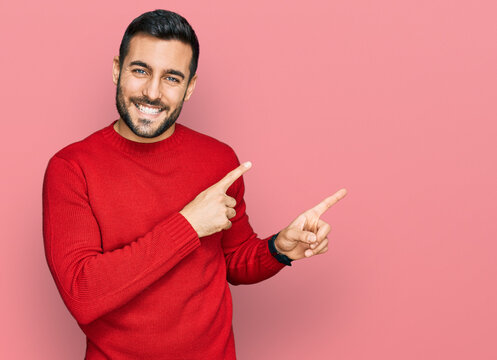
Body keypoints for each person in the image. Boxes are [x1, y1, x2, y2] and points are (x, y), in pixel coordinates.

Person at [42, 9, 347, 360]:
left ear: (190, 88)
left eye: (172, 78)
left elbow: (233, 261)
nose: (152, 92)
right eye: (140, 71)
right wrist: (188, 225)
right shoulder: (71, 167)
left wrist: (279, 248)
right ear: (117, 70)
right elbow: (83, 294)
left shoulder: (218, 159)